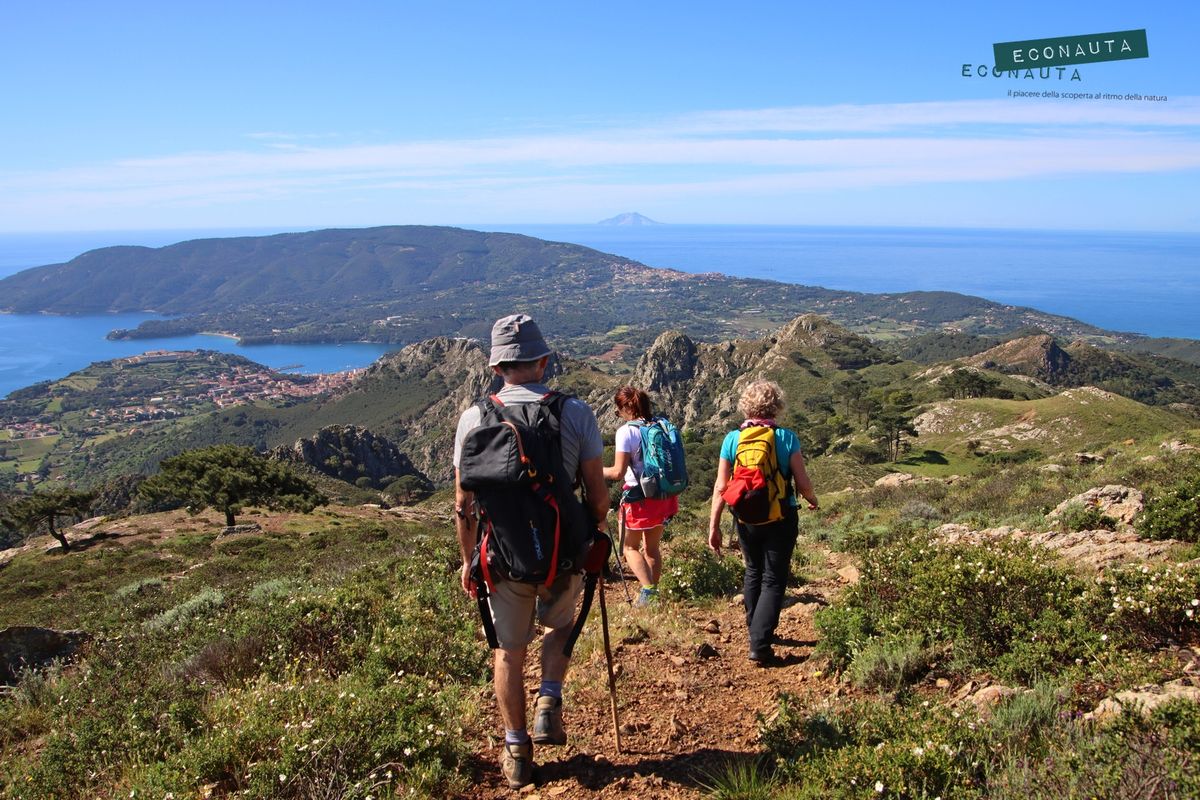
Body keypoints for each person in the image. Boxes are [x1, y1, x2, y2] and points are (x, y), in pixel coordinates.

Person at [453, 314, 608, 790]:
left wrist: (467, 560)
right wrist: (596, 529)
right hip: (564, 552)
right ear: (543, 360)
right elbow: (597, 492)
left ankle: (517, 751)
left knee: (507, 652)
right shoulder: (574, 412)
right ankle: (549, 700)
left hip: (504, 557)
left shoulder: (475, 417)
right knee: (560, 625)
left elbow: (463, 503)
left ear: (497, 365)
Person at [707, 379, 819, 666]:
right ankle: (760, 643)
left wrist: (714, 525)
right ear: (776, 406)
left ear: (746, 406)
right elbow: (802, 481)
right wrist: (812, 498)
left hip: (746, 516)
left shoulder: (732, 439)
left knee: (753, 570)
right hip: (781, 514)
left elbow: (721, 486)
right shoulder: (786, 438)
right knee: (774, 578)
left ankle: (755, 627)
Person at [603, 386, 678, 606]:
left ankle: (649, 592)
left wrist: (593, 470)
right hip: (663, 494)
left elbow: (617, 472)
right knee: (652, 548)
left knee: (629, 548)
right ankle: (652, 595)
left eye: (618, 412)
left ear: (625, 408)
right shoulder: (660, 425)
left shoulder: (626, 431)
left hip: (638, 497)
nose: (618, 416)